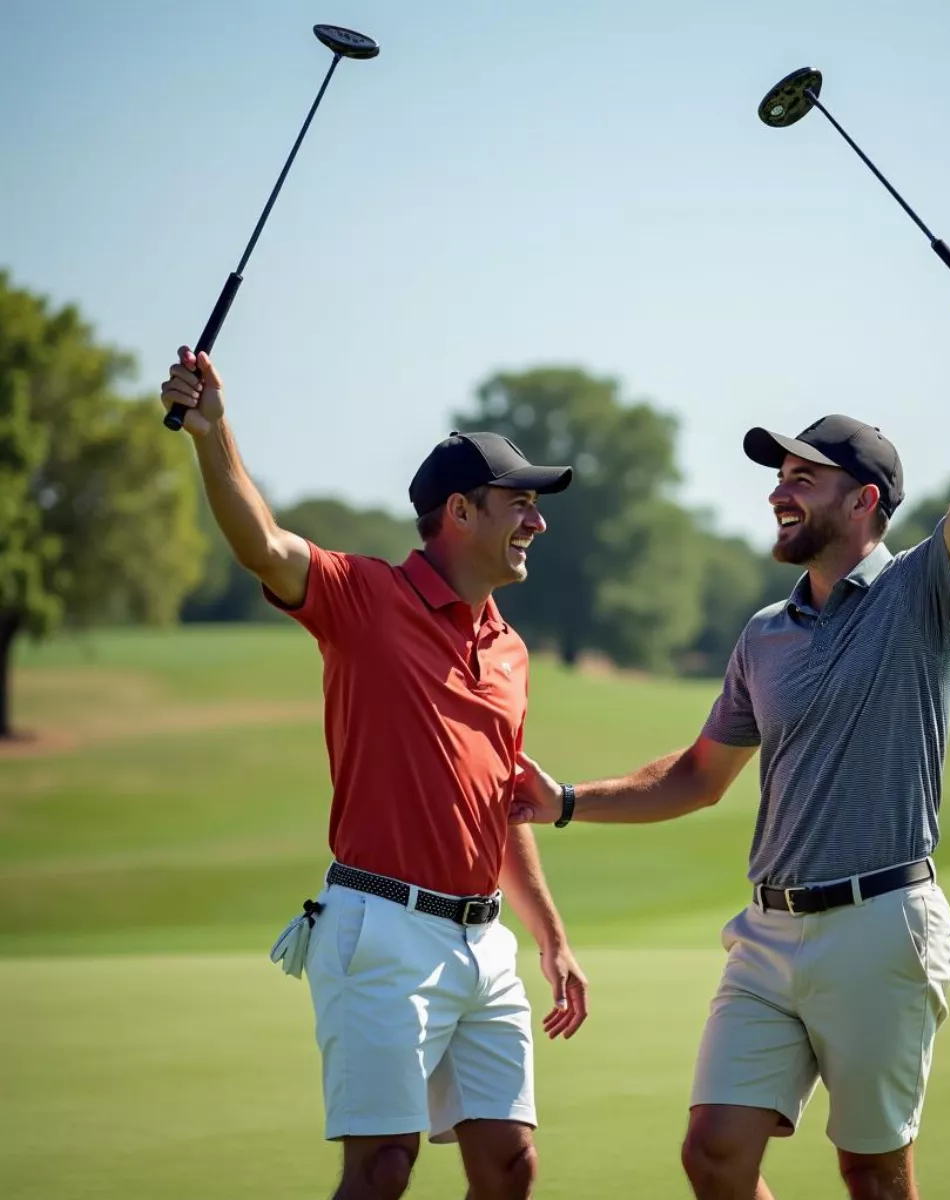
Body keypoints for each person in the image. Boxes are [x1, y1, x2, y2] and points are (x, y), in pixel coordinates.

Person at [511, 271, 950, 1200]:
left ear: (866, 500)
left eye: (803, 477)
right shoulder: (766, 633)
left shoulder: (923, 593)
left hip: (882, 926)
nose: (779, 494)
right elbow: (699, 776)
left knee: (872, 1174)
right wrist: (569, 804)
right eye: (777, 478)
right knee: (713, 1154)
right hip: (766, 933)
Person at [160, 347, 590, 1200]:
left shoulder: (508, 648)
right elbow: (264, 544)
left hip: (484, 939)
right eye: (521, 505)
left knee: (511, 1169)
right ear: (460, 511)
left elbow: (495, 807)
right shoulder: (364, 598)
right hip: (381, 929)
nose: (537, 522)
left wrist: (550, 933)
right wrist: (212, 433)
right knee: (383, 1167)